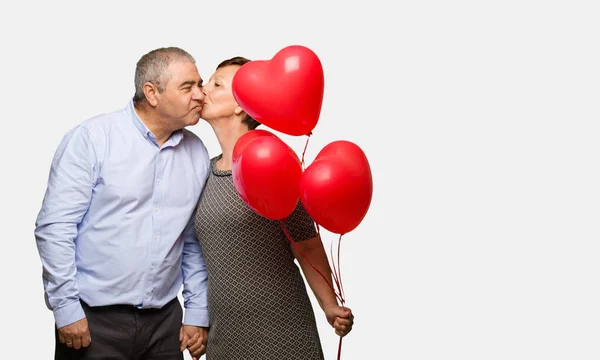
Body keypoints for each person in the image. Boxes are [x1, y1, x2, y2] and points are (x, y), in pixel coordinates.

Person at [34, 47, 210, 360]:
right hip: (93, 321)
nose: (201, 94)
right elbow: (55, 228)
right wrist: (66, 308)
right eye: (188, 87)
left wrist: (196, 312)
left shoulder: (196, 152)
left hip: (165, 325)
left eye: (200, 84)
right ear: (152, 93)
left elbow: (192, 240)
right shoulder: (92, 138)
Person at [193, 56, 355, 359]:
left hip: (282, 331)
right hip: (225, 336)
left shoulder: (271, 162)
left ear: (242, 104)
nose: (203, 90)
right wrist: (195, 320)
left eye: (216, 84)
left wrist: (330, 307)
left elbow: (306, 244)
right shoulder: (202, 171)